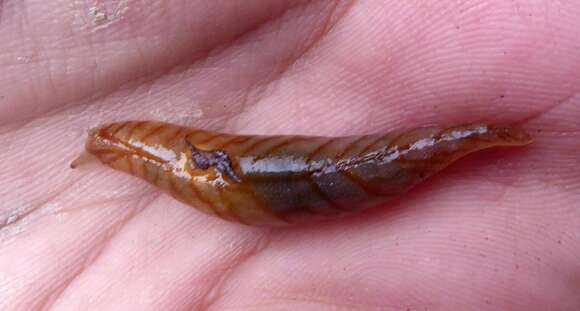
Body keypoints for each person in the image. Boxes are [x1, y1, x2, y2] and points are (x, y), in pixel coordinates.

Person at [1, 1, 579, 310]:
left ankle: (477, 137)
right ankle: (476, 137)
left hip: (269, 180)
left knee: (325, 169)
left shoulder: (177, 164)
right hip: (260, 179)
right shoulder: (172, 160)